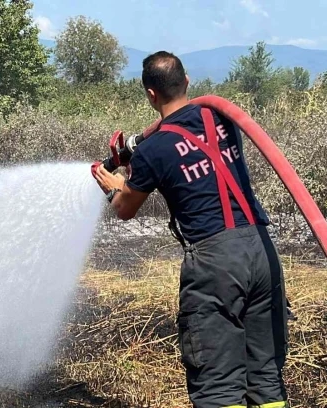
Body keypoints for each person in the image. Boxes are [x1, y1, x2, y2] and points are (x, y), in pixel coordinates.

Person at [92, 51, 290, 408]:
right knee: (265, 377)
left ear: (150, 95)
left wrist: (111, 183)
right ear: (187, 82)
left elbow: (125, 209)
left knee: (218, 386)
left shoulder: (154, 149)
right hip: (262, 252)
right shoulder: (221, 118)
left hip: (216, 265)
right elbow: (185, 134)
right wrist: (135, 149)